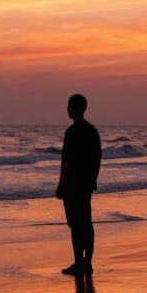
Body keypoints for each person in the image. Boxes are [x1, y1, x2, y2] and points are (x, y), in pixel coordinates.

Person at [55, 93, 102, 276]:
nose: (66, 109)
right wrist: (93, 179)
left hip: (73, 185)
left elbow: (66, 163)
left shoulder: (71, 132)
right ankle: (87, 262)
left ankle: (78, 262)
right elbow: (98, 159)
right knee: (87, 222)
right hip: (87, 184)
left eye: (68, 106)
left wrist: (60, 186)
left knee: (76, 224)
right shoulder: (92, 131)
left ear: (72, 109)